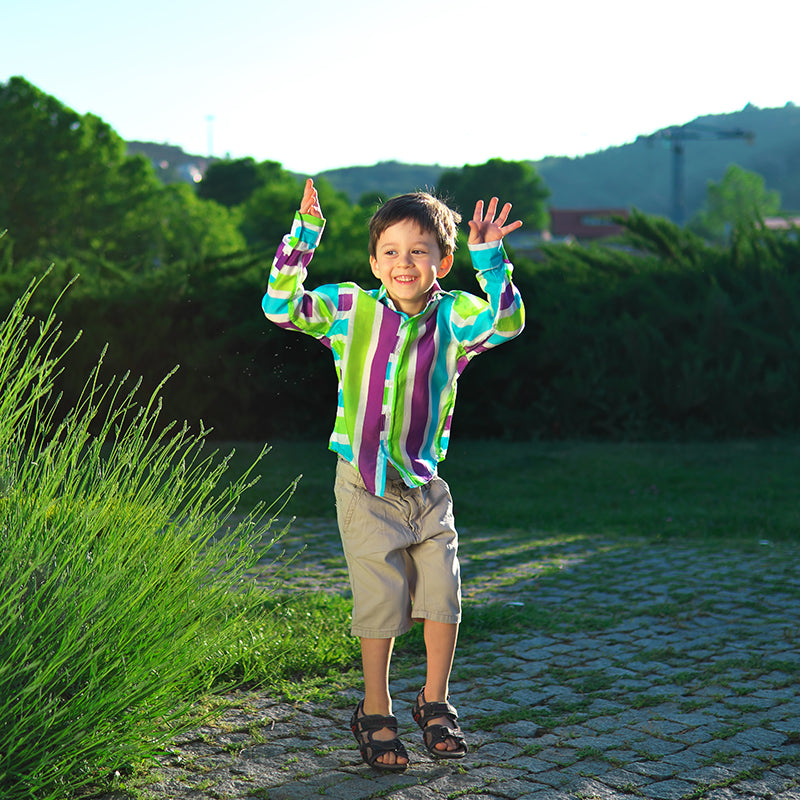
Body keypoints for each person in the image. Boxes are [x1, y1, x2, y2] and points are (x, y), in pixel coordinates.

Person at [262, 178, 525, 770]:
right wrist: (304, 236)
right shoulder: (349, 309)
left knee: (443, 596)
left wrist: (490, 259)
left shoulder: (457, 318)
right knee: (380, 602)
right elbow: (280, 308)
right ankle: (375, 708)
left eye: (419, 251)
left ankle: (436, 702)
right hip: (363, 485)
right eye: (390, 251)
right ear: (374, 260)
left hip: (426, 488)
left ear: (443, 259)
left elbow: (506, 324)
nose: (404, 263)